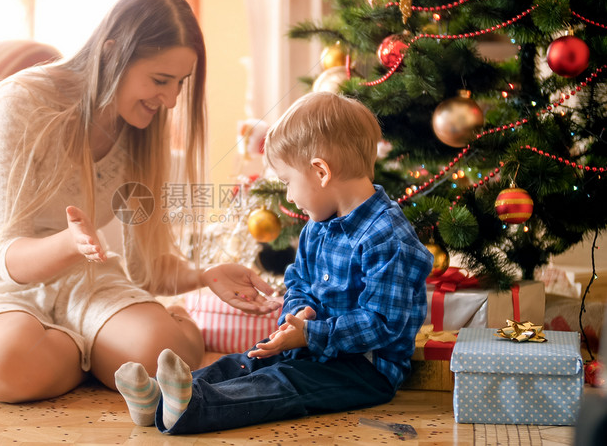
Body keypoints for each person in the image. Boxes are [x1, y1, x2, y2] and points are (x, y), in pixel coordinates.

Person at [0, 0, 279, 404]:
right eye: (160, 80)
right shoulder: (20, 104)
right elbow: (9, 258)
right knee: (8, 363)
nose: (171, 100)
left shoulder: (141, 128)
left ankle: (77, 351)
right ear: (111, 54)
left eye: (180, 83)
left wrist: (205, 275)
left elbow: (145, 268)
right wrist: (71, 243)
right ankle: (92, 354)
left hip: (83, 282)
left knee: (164, 350)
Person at [114, 91, 434, 433]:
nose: (289, 196)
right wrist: (297, 316)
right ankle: (159, 398)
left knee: (281, 381)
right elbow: (299, 281)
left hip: (365, 370)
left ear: (321, 172)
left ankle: (192, 407)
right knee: (246, 361)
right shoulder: (317, 227)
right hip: (311, 344)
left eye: (287, 182)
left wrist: (310, 334)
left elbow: (383, 323)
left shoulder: (388, 238)